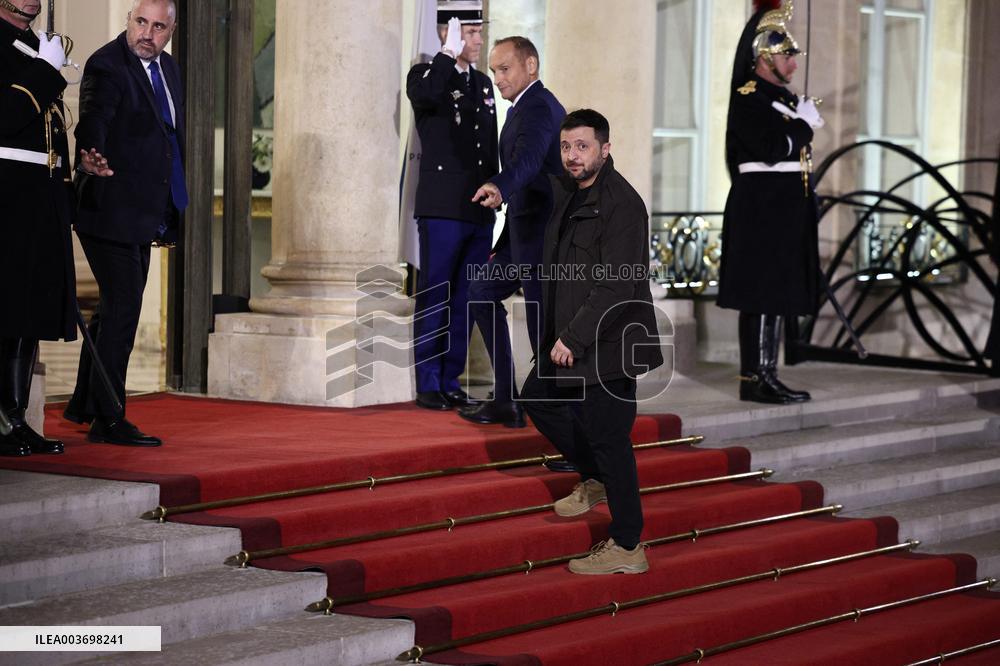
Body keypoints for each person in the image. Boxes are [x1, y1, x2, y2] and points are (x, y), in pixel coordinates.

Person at [521, 109, 663, 575]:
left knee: (610, 440)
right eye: (566, 147)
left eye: (582, 146)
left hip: (612, 343)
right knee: (537, 396)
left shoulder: (623, 205)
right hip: (571, 336)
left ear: (605, 148)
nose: (572, 156)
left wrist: (573, 338)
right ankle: (595, 478)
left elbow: (616, 286)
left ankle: (627, 545)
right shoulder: (565, 192)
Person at [63, 0, 186, 447]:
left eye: (157, 26)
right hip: (108, 208)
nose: (147, 33)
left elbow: (169, 137)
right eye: (140, 22)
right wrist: (90, 153)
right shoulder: (107, 64)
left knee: (114, 310)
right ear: (128, 21)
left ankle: (87, 405)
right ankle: (110, 418)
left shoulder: (169, 69)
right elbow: (94, 116)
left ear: (170, 31)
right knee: (125, 308)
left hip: (145, 213)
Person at [716, 0, 824, 404]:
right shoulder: (749, 98)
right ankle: (754, 377)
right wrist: (803, 127)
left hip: (784, 213)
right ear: (764, 58)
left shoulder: (782, 99)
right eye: (786, 55)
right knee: (761, 295)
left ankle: (768, 372)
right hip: (761, 211)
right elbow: (771, 148)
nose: (793, 64)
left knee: (778, 294)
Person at [459, 35, 565, 429]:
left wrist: (500, 185)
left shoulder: (538, 106)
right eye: (494, 71)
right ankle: (507, 400)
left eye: (505, 69)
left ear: (531, 66)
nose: (498, 79)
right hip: (520, 235)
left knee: (544, 330)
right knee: (481, 291)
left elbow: (529, 162)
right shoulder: (524, 106)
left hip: (541, 238)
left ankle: (563, 424)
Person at [406, 1, 498, 412]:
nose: (479, 41)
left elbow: (487, 149)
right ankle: (428, 381)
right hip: (442, 209)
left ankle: (450, 378)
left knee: (465, 299)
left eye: (480, 32)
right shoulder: (425, 74)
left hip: (477, 209)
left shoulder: (481, 83)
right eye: (471, 33)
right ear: (449, 32)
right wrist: (447, 53)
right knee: (436, 294)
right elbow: (427, 95)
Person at [0, 0, 77, 457]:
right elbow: (8, 115)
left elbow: (52, 130)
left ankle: (14, 419)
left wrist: (66, 186)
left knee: (27, 314)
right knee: (6, 308)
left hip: (40, 193)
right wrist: (48, 71)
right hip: (6, 192)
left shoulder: (36, 45)